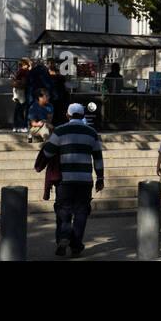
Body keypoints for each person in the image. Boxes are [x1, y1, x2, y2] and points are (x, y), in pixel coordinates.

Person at [40, 102, 104, 257]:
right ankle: (76, 246)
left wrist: (41, 161)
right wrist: (100, 177)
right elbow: (97, 158)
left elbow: (48, 153)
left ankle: (63, 237)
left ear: (67, 115)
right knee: (81, 212)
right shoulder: (92, 133)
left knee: (64, 209)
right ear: (82, 115)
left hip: (65, 180)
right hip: (84, 180)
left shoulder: (60, 131)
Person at [11, 58, 32, 133]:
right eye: (27, 64)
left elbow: (15, 81)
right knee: (20, 110)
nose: (28, 66)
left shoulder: (19, 71)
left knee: (17, 110)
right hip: (21, 94)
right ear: (24, 65)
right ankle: (21, 126)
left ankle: (16, 127)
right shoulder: (23, 72)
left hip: (17, 93)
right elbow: (23, 83)